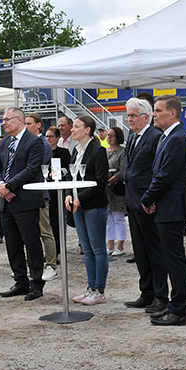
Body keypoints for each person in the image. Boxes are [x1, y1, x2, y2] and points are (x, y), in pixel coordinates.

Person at [142, 95, 186, 326]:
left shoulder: (177, 138)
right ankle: (175, 305)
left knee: (174, 260)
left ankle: (179, 310)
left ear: (172, 113)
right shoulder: (169, 136)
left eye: (158, 110)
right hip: (167, 205)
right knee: (170, 257)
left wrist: (147, 197)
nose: (154, 114)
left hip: (172, 207)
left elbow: (165, 175)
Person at [0, 107, 46, 301]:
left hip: (25, 200)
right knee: (12, 244)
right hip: (5, 201)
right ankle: (20, 281)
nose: (3, 123)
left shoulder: (35, 142)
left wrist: (9, 186)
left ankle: (37, 283)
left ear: (20, 120)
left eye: (7, 119)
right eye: (3, 120)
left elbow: (31, 169)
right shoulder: (4, 143)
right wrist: (0, 185)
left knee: (31, 243)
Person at [123, 98, 168, 314]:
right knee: (141, 252)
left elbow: (157, 171)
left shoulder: (155, 137)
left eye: (133, 115)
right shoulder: (133, 137)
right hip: (133, 202)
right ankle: (146, 292)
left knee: (154, 252)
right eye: (128, 115)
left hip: (147, 202)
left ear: (146, 117)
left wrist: (151, 199)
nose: (129, 119)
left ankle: (161, 296)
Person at [66, 115, 110, 305]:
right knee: (87, 249)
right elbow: (72, 176)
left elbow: (100, 182)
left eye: (76, 126)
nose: (72, 129)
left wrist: (79, 198)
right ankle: (91, 287)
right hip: (78, 204)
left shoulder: (98, 151)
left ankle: (99, 291)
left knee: (98, 249)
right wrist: (69, 193)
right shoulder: (76, 150)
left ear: (87, 130)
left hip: (93, 205)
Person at [25, 113, 58, 282]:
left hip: (39, 192)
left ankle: (51, 264)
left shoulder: (42, 144)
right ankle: (33, 264)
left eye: (29, 123)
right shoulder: (29, 142)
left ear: (39, 125)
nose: (26, 126)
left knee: (45, 230)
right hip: (28, 192)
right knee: (31, 232)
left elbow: (36, 167)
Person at [45, 126, 71, 257]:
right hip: (46, 189)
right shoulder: (43, 152)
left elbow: (68, 168)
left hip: (58, 189)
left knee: (57, 221)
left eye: (50, 136)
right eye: (47, 136)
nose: (48, 139)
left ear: (57, 138)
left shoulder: (64, 152)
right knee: (46, 222)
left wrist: (58, 173)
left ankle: (58, 250)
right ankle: (49, 251)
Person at [105, 126, 127, 257]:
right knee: (108, 218)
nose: (108, 137)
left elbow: (122, 170)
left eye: (111, 135)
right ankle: (111, 244)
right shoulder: (103, 151)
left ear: (117, 137)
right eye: (108, 135)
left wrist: (110, 182)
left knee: (118, 217)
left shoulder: (122, 152)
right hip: (105, 189)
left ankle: (121, 245)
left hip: (117, 188)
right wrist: (104, 186)